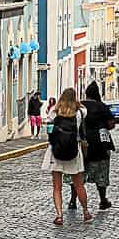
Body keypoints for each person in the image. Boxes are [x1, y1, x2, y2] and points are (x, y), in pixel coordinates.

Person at [42, 88, 91, 225]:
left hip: (56, 150)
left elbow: (49, 128)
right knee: (79, 184)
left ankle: (59, 215)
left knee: (57, 187)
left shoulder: (54, 111)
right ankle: (86, 211)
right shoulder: (81, 112)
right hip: (73, 150)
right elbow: (83, 116)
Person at [70, 81, 116, 211]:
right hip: (100, 145)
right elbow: (111, 124)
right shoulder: (102, 107)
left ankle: (73, 200)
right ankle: (102, 200)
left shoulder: (79, 106)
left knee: (78, 173)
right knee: (101, 173)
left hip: (81, 143)